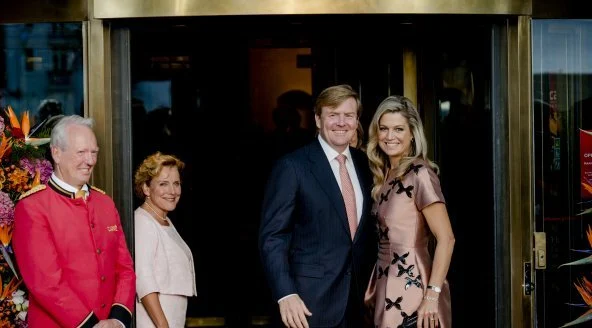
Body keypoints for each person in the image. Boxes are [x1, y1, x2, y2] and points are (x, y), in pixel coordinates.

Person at [259, 84, 377, 328]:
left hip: (360, 303)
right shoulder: (293, 166)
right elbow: (273, 236)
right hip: (308, 303)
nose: (341, 122)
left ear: (357, 121)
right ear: (317, 119)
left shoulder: (367, 165)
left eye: (349, 115)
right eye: (333, 115)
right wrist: (285, 293)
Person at [12, 115, 136, 328]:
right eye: (81, 152)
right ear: (56, 153)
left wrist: (118, 319)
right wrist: (91, 325)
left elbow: (124, 269)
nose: (90, 161)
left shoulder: (105, 203)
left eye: (94, 152)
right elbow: (46, 283)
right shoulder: (32, 207)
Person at [364, 96, 455, 328]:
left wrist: (432, 295)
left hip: (414, 289)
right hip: (385, 283)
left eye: (398, 129)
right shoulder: (384, 175)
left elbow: (447, 239)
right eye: (383, 129)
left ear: (412, 133)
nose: (389, 136)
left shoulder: (420, 174)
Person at [133, 152, 197, 328]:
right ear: (146, 188)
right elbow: (143, 278)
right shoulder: (142, 221)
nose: (172, 191)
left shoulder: (164, 219)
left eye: (176, 184)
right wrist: (162, 325)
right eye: (163, 184)